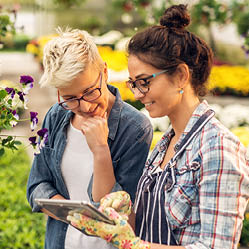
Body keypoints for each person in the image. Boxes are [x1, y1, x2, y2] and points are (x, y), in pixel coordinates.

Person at [68, 4, 249, 249]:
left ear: (182, 75)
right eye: (133, 84)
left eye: (144, 82)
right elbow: (146, 231)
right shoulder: (166, 144)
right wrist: (121, 213)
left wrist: (132, 245)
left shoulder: (218, 148)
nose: (138, 94)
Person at [26, 28, 153, 249]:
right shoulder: (56, 116)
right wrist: (77, 217)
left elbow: (119, 215)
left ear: (104, 71)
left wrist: (101, 149)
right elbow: (36, 186)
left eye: (90, 91)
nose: (84, 106)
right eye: (70, 98)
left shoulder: (135, 129)